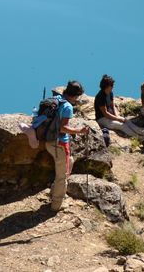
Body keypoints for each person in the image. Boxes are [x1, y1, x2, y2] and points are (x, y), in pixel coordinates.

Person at [44, 80, 90, 212]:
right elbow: (63, 128)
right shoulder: (68, 107)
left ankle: (54, 192)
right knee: (62, 175)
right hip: (59, 144)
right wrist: (79, 131)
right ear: (75, 95)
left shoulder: (56, 99)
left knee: (69, 162)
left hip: (48, 140)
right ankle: (56, 204)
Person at [94, 74, 144, 145]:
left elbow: (113, 105)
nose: (113, 86)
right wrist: (117, 119)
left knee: (126, 120)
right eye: (111, 85)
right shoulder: (100, 96)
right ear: (107, 86)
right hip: (102, 119)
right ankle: (139, 138)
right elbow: (105, 113)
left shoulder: (110, 93)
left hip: (110, 116)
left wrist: (117, 115)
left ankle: (142, 132)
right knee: (121, 125)